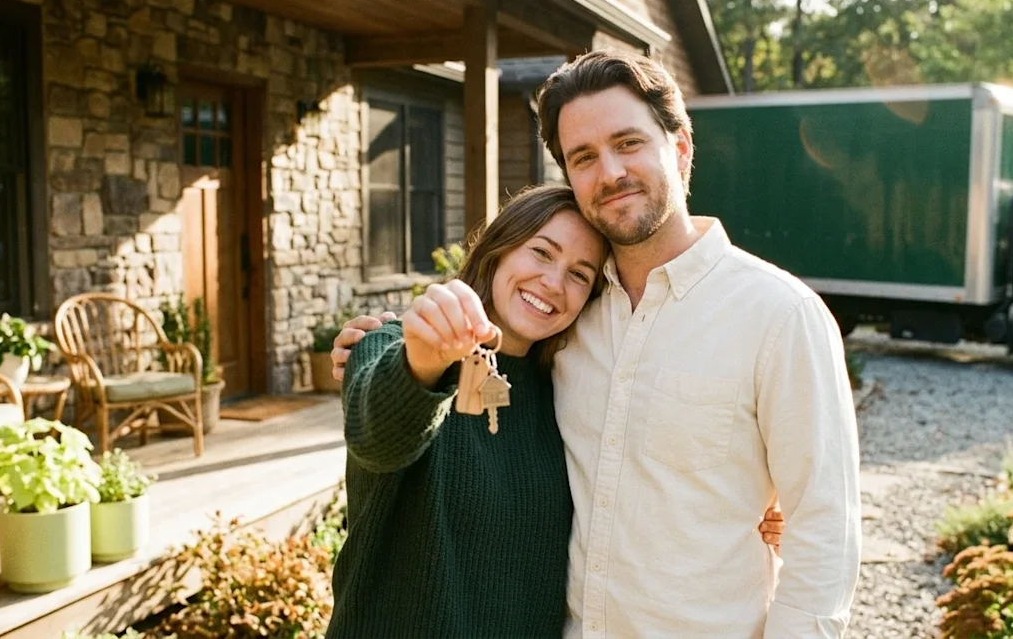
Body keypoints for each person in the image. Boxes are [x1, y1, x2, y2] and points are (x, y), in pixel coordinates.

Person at [336, 49, 857, 637]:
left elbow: (824, 532)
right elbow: (385, 427)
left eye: (628, 142)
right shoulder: (571, 326)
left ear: (680, 147)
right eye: (584, 157)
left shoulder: (779, 316)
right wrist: (406, 359)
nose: (609, 172)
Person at [323, 183, 609, 638]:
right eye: (541, 252)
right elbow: (376, 439)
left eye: (580, 274)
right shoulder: (389, 343)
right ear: (498, 249)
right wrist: (424, 362)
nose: (554, 283)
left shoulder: (566, 388)